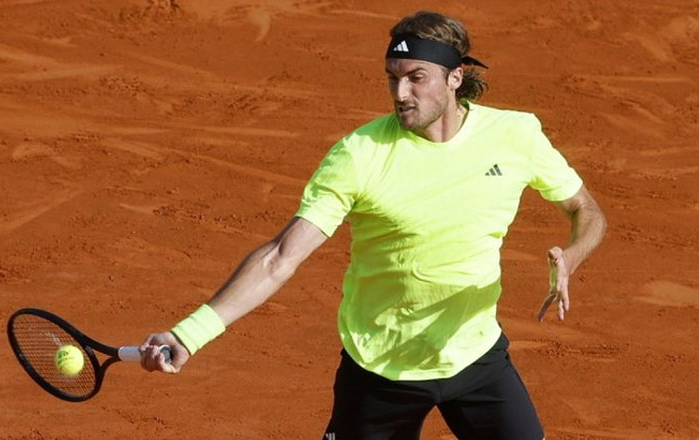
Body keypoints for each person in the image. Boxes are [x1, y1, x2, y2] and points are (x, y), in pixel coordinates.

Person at [139, 10, 607, 440]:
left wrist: (573, 256)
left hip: (475, 356)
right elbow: (280, 257)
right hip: (381, 368)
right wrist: (190, 333)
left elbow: (584, 209)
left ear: (455, 78)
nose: (400, 94)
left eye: (416, 78)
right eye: (393, 78)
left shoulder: (516, 135)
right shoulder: (359, 155)